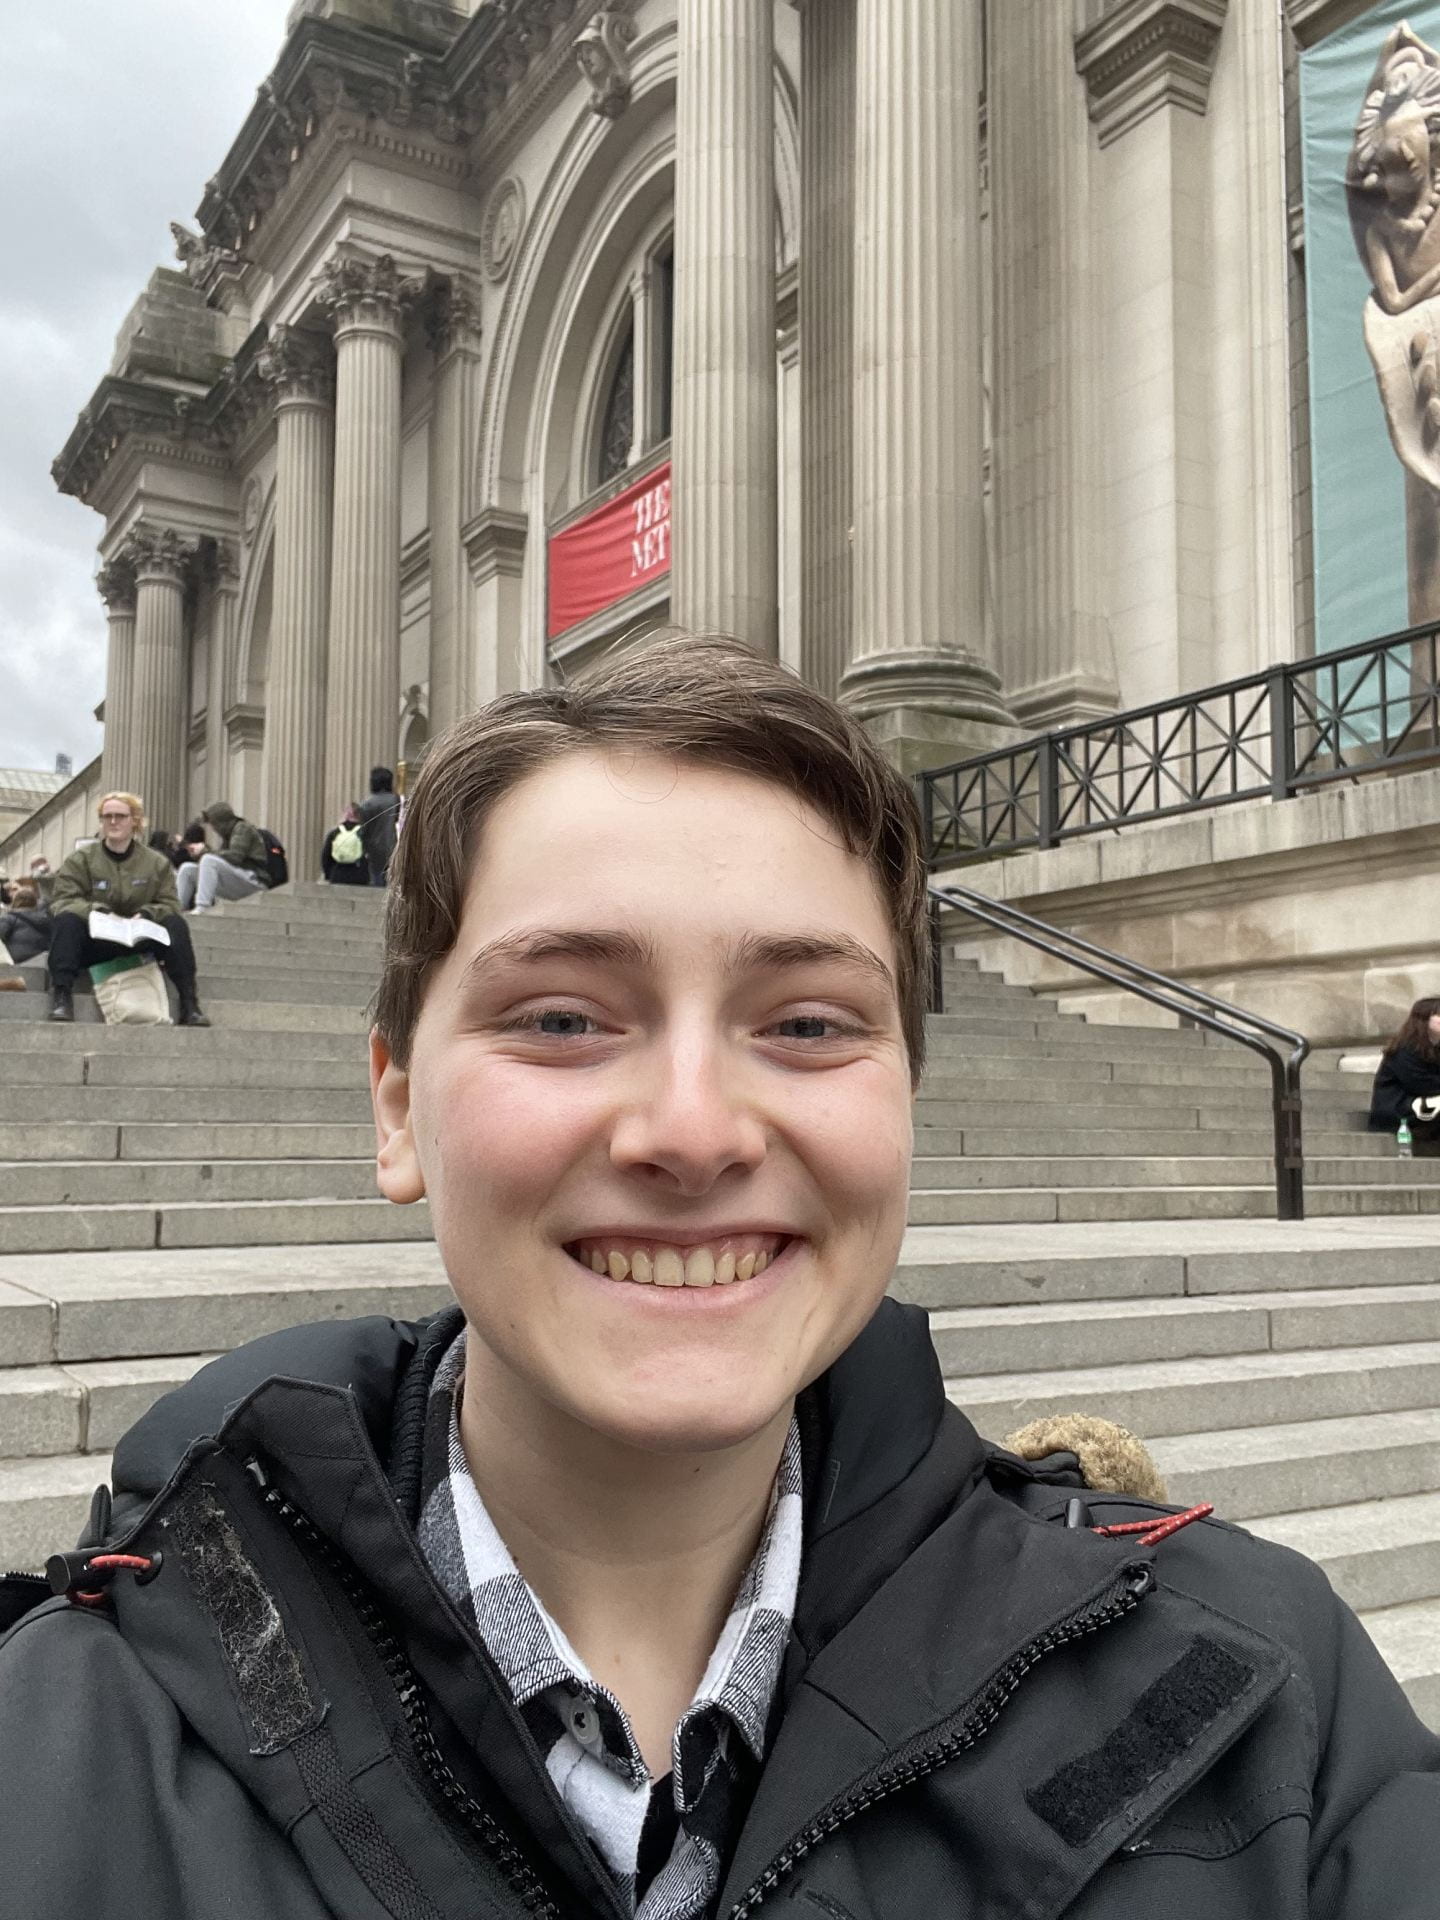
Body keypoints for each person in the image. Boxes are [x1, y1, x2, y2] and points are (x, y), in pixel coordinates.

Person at [1, 636, 1435, 1918]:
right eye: (562, 1016)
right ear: (395, 1107)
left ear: (907, 1104)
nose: (691, 1132)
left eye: (809, 1023)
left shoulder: (1271, 1698)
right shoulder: (56, 1744)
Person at [44, 791, 208, 1026]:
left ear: (135, 821)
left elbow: (171, 904)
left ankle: (190, 1003)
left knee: (175, 924)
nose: (113, 821)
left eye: (120, 816)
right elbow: (62, 900)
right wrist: (96, 911)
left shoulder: (156, 862)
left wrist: (148, 914)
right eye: (107, 816)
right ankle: (61, 996)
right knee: (66, 920)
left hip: (139, 941)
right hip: (95, 940)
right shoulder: (80, 859)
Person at [176, 801, 271, 913]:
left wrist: (206, 852)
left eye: (213, 823)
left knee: (208, 860)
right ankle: (177, 908)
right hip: (239, 878)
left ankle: (202, 906)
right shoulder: (228, 835)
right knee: (187, 869)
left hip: (254, 879)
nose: (213, 828)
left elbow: (236, 856)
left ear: (221, 821)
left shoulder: (242, 828)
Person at [1370, 995, 1440, 1143]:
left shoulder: (1435, 1049)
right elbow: (1423, 1084)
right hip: (1398, 1109)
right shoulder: (1405, 1049)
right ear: (1423, 1019)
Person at [357, 763, 400, 886]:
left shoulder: (367, 804)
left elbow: (362, 830)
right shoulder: (399, 801)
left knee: (377, 881)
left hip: (374, 851)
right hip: (396, 847)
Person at [0, 883, 53, 964]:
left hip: (18, 963)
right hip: (43, 963)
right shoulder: (46, 919)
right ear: (35, 902)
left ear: (15, 902)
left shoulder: (9, 918)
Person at [320, 802, 369, 886]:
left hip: (338, 874)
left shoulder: (335, 833)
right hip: (359, 876)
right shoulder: (364, 833)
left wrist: (328, 874)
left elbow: (325, 856)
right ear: (359, 816)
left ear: (345, 815)